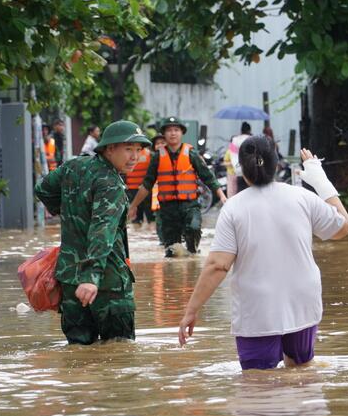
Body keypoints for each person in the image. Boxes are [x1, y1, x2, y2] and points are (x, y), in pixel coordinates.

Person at [178, 136, 348, 371]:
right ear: (277, 165)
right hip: (302, 302)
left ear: (242, 170)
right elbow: (343, 227)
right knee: (301, 370)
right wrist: (320, 181)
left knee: (257, 383)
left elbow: (218, 265)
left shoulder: (234, 208)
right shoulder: (302, 198)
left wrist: (191, 310)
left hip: (257, 310)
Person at [35, 120, 152, 344]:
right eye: (128, 149)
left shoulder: (73, 166)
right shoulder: (112, 185)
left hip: (69, 281)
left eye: (138, 150)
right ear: (109, 148)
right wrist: (91, 278)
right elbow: (102, 231)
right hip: (107, 284)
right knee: (120, 355)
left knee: (78, 355)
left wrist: (68, 212)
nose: (135, 157)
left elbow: (43, 189)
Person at [128, 117, 227, 257]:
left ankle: (193, 255)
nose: (173, 133)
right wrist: (133, 205)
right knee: (172, 252)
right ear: (164, 134)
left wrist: (222, 196)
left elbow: (208, 177)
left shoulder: (192, 154)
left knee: (193, 229)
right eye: (169, 130)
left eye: (176, 130)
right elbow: (147, 184)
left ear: (181, 133)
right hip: (168, 210)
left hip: (190, 206)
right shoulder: (157, 157)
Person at [125, 133, 156, 226]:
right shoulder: (125, 154)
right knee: (135, 218)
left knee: (151, 217)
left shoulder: (150, 155)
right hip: (131, 189)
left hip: (146, 189)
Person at [229, 121, 252, 192]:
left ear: (241, 130)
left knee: (240, 191)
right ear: (249, 130)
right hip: (250, 171)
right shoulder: (252, 139)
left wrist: (237, 169)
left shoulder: (234, 140)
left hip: (238, 171)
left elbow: (233, 156)